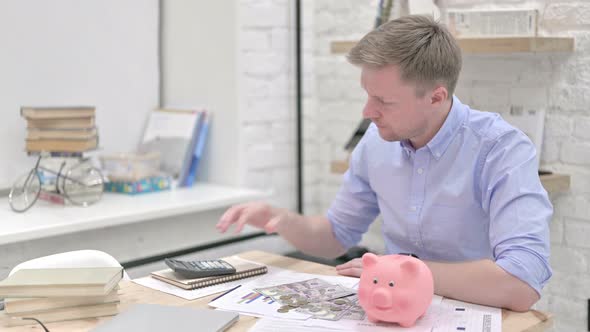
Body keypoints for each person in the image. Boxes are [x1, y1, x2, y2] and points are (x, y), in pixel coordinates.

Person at [216, 15, 552, 312]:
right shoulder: (376, 144)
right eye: (367, 94)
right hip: (391, 313)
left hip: (475, 315)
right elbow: (336, 236)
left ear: (436, 96)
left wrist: (400, 272)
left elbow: (522, 284)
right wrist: (280, 218)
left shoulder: (501, 149)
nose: (367, 112)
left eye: (383, 101)